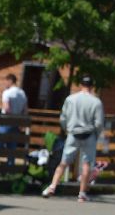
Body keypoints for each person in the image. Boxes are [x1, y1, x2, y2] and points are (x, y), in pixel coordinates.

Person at [44, 74, 105, 202]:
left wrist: (67, 129)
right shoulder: (96, 101)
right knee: (87, 163)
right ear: (92, 86)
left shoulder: (71, 99)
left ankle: (52, 186)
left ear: (81, 84)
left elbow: (63, 118)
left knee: (64, 161)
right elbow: (99, 123)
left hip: (73, 133)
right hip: (89, 134)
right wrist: (96, 134)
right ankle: (82, 193)